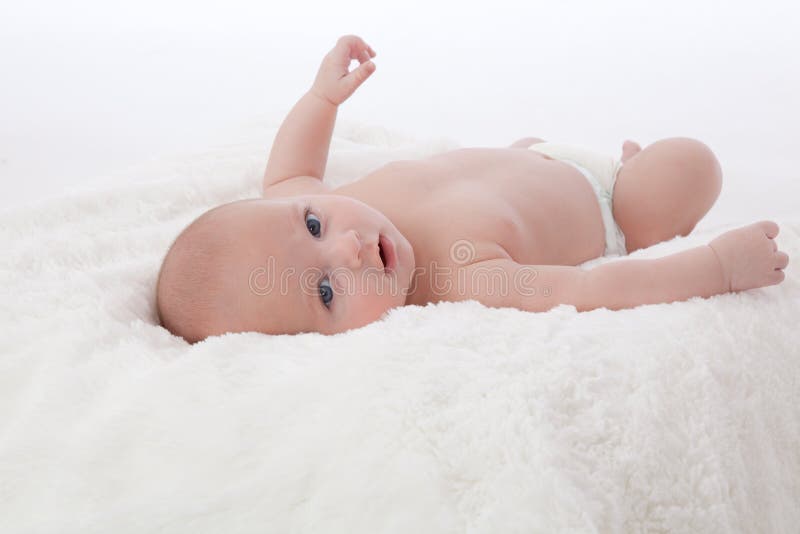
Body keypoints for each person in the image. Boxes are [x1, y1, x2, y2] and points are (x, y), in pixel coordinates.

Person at [155, 35, 789, 343]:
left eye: (313, 225)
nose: (345, 250)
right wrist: (716, 268)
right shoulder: (465, 281)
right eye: (326, 292)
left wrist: (321, 98)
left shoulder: (304, 206)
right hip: (609, 207)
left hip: (530, 158)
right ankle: (638, 176)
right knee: (693, 165)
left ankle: (575, 159)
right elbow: (592, 289)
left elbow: (287, 173)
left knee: (522, 151)